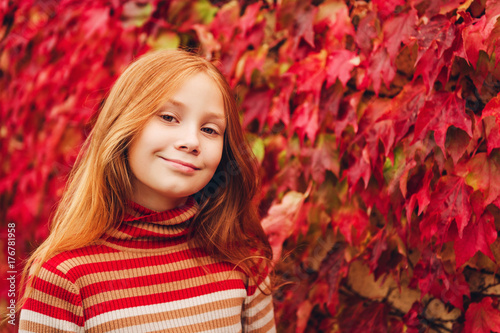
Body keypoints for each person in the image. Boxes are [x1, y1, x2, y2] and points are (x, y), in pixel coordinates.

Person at [18, 49, 275, 332]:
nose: (191, 141)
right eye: (168, 117)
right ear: (124, 126)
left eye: (210, 130)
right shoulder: (66, 277)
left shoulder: (243, 260)